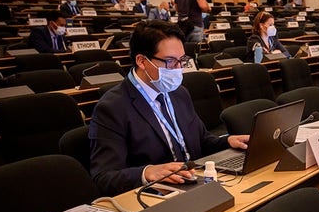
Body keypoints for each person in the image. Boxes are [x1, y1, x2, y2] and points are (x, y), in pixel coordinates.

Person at [89, 20, 249, 195]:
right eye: (171, 61)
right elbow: (104, 177)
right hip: (155, 194)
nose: (178, 68)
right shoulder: (113, 107)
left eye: (181, 60)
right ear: (142, 61)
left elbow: (201, 141)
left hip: (194, 182)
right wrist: (147, 172)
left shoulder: (179, 93)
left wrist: (227, 141)